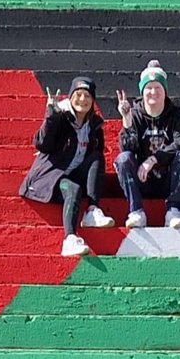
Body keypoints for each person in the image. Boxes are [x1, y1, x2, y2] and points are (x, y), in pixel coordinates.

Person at [18, 77, 115, 257]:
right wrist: (51, 116)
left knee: (96, 157)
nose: (83, 100)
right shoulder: (60, 117)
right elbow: (42, 144)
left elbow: (96, 159)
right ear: (70, 97)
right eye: (78, 95)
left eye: (87, 96)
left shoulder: (94, 126)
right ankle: (69, 238)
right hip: (51, 177)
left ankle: (92, 211)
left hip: (74, 172)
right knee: (73, 189)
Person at [113, 59, 180, 229]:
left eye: (157, 87)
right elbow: (127, 148)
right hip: (143, 180)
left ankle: (174, 210)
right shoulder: (135, 114)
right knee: (123, 159)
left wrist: (154, 159)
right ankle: (136, 211)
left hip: (169, 179)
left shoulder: (177, 114)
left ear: (165, 91)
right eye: (148, 88)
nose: (153, 92)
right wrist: (127, 121)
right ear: (142, 91)